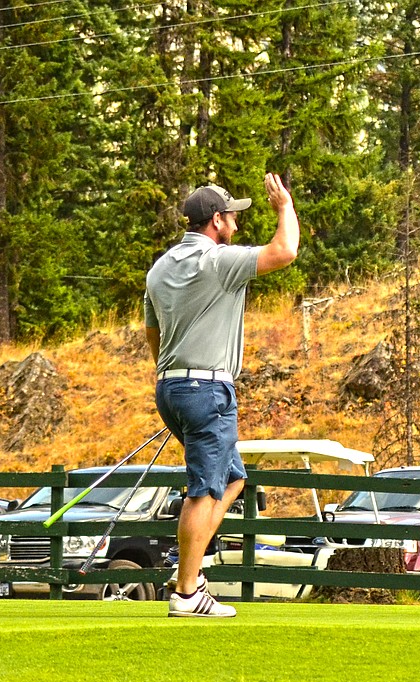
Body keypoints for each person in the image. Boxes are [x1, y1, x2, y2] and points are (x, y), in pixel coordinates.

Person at [145, 175, 299, 618]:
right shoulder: (217, 261)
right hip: (207, 389)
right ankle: (188, 592)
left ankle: (189, 575)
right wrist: (284, 207)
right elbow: (284, 251)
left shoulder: (159, 268)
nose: (236, 221)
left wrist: (177, 379)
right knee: (204, 490)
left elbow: (152, 337)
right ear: (216, 220)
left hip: (171, 386)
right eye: (233, 215)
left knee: (233, 479)